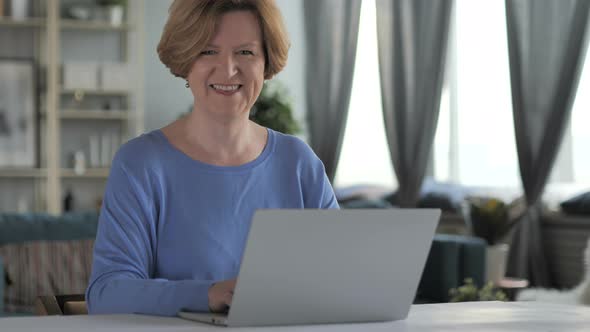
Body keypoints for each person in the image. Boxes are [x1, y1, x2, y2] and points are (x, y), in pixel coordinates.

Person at [86, 0, 339, 316]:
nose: (229, 69)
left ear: (266, 62)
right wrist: (208, 294)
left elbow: (340, 276)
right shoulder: (140, 164)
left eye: (245, 52)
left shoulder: (299, 162)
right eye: (208, 51)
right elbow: (107, 294)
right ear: (185, 60)